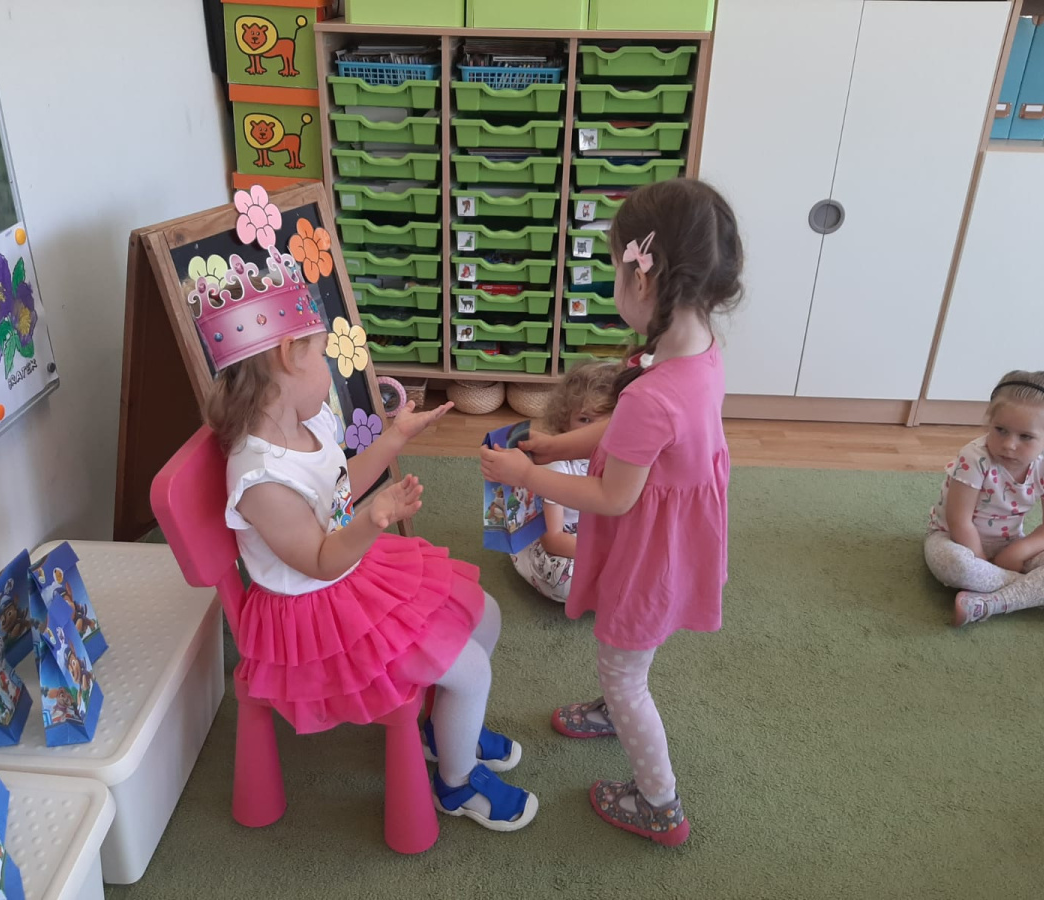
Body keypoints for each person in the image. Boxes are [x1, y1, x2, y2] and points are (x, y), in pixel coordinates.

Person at [207, 258, 537, 833]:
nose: (330, 370)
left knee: (484, 613)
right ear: (288, 357)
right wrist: (373, 520)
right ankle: (456, 783)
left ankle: (446, 729)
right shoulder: (259, 477)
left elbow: (338, 491)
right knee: (471, 671)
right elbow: (318, 559)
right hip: (312, 615)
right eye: (321, 356)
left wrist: (394, 438)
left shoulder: (305, 425)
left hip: (350, 572)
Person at [481, 178, 742, 846]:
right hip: (677, 538)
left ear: (643, 278)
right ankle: (615, 703)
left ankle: (659, 804)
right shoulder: (696, 352)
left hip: (649, 550)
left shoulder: (654, 392)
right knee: (630, 656)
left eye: (614, 268)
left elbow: (611, 496)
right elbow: (627, 433)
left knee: (625, 671)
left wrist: (527, 474)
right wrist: (558, 445)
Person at [924, 370, 1044, 626]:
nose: (1008, 444)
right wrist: (982, 560)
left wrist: (1018, 551)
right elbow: (959, 521)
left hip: (1010, 543)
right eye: (1001, 430)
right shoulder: (974, 457)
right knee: (956, 566)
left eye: (1025, 436)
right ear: (990, 420)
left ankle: (990, 603)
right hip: (954, 540)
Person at [510, 362, 617, 603]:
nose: (594, 434)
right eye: (585, 420)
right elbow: (553, 539)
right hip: (557, 542)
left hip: (598, 533)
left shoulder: (624, 463)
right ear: (563, 421)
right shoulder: (557, 465)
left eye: (607, 422)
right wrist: (608, 554)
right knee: (565, 580)